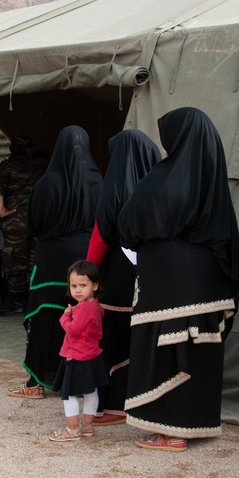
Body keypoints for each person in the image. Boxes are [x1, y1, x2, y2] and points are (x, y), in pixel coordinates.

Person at [117, 108, 239, 451]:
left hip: (168, 283)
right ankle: (194, 422)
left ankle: (168, 429)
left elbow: (130, 222)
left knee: (168, 349)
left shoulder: (164, 177)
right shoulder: (213, 179)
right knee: (198, 348)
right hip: (207, 284)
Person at [8, 126, 101, 398]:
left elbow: (33, 223)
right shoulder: (98, 181)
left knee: (46, 319)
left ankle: (36, 383)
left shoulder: (47, 182)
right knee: (85, 319)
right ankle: (82, 383)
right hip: (85, 259)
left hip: (50, 258)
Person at [85, 129, 162, 427]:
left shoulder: (115, 186)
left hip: (118, 273)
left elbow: (101, 236)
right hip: (151, 272)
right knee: (140, 330)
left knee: (115, 332)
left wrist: (87, 273)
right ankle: (143, 397)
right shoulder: (159, 185)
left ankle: (116, 403)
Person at [47, 260, 109, 441]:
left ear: (95, 285)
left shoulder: (81, 309)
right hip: (93, 354)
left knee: (69, 394)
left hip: (76, 356)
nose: (78, 290)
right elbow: (99, 316)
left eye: (83, 285)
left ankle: (72, 430)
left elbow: (73, 329)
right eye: (73, 285)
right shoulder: (95, 305)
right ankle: (87, 426)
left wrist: (66, 316)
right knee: (91, 392)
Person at [0, 132, 43, 315]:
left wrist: (2, 211)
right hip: (35, 221)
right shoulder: (36, 167)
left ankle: (16, 302)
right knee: (32, 258)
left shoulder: (7, 166)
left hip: (14, 223)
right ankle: (31, 299)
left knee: (14, 260)